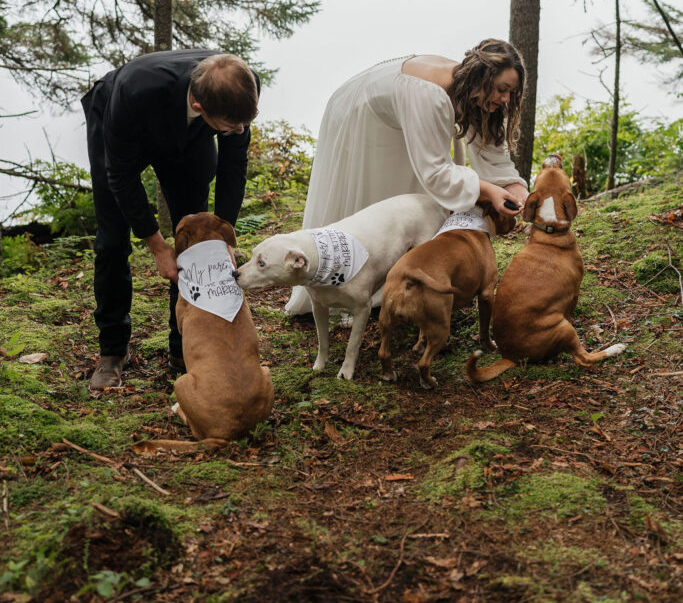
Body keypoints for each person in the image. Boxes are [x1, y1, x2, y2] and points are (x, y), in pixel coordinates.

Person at [285, 39, 528, 315]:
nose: (506, 99)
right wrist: (489, 191)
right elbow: (435, 172)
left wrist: (517, 189)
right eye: (502, 90)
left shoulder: (473, 93)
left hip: (398, 115)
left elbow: (493, 154)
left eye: (511, 92)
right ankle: (343, 288)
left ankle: (394, 285)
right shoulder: (430, 94)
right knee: (372, 196)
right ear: (481, 78)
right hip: (361, 112)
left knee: (404, 194)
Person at [81, 49, 260, 390]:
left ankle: (181, 348)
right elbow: (120, 176)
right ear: (199, 106)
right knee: (112, 239)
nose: (239, 131)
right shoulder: (135, 91)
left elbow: (233, 164)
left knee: (196, 239)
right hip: (121, 124)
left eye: (244, 123)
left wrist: (222, 234)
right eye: (231, 125)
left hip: (191, 140)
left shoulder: (240, 86)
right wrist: (157, 245)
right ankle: (113, 349)